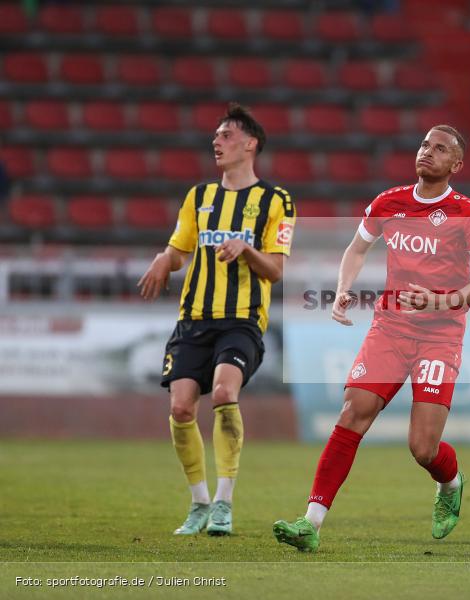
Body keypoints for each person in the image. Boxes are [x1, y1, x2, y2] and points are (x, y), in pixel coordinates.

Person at [273, 125, 470, 552]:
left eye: (440, 148)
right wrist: (343, 288)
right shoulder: (388, 202)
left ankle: (450, 483)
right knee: (353, 412)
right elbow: (357, 249)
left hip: (441, 335)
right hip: (391, 328)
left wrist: (439, 300)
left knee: (422, 448)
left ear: (457, 164)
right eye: (424, 144)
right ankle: (311, 522)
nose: (428, 152)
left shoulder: (469, 214)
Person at [138, 103, 295, 536]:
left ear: (251, 144)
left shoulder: (275, 201)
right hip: (193, 319)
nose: (217, 142)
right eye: (216, 136)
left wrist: (245, 249)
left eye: (226, 135)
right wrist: (161, 260)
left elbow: (277, 270)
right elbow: (179, 251)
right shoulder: (199, 197)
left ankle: (224, 502)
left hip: (242, 320)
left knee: (225, 393)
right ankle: (199, 503)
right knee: (181, 405)